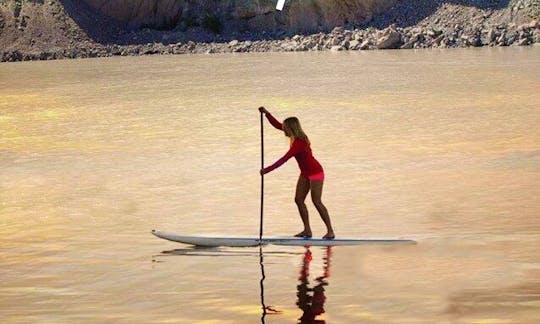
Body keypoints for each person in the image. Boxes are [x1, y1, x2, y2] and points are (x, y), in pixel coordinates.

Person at [258, 107, 335, 239]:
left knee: (316, 201)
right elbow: (278, 125)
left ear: (291, 129)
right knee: (298, 200)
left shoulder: (299, 143)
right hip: (305, 173)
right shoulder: (294, 136)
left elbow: (284, 159)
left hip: (316, 172)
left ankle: (330, 231)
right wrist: (267, 114)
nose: (284, 131)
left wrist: (267, 170)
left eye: (286, 129)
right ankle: (307, 230)